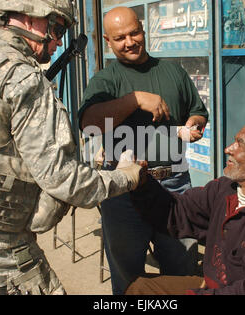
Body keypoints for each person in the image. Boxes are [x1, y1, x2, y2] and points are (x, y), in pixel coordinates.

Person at [0, 0, 141, 295]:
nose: (59, 41)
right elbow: (64, 181)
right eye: (57, 28)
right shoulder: (23, 79)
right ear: (30, 19)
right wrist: (125, 177)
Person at [78, 6, 209, 294]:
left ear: (144, 30)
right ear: (108, 41)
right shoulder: (105, 81)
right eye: (120, 37)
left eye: (134, 32)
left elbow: (198, 112)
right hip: (123, 192)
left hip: (175, 186)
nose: (129, 42)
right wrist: (135, 100)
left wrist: (194, 124)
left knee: (183, 272)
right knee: (128, 281)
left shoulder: (172, 71)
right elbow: (88, 123)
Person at [126, 121, 245, 295]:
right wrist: (142, 184)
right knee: (139, 290)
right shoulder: (224, 188)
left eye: (240, 144)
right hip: (212, 286)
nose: (228, 149)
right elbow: (177, 213)